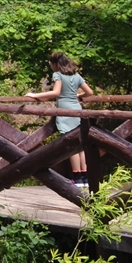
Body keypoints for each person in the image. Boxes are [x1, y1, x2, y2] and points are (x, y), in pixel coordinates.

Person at [24, 51, 94, 187]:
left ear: (55, 64)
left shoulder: (58, 75)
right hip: (77, 109)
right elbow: (90, 93)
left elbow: (56, 92)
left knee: (72, 144)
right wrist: (78, 95)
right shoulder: (76, 75)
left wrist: (35, 95)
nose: (51, 66)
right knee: (80, 145)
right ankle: (85, 177)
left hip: (65, 110)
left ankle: (77, 177)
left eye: (51, 63)